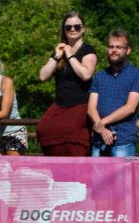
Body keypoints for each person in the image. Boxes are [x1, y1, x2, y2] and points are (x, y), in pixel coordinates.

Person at [35, 11, 98, 156]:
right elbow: (42, 76)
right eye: (68, 27)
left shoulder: (88, 50)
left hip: (80, 103)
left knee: (70, 131)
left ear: (83, 29)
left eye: (77, 26)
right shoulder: (60, 51)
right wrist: (57, 56)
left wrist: (70, 55)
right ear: (64, 30)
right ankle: (56, 168)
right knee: (43, 129)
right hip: (60, 103)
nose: (73, 30)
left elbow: (86, 74)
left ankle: (76, 170)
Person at [86, 30, 139, 157]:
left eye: (119, 47)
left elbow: (130, 108)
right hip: (99, 139)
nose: (114, 50)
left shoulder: (136, 75)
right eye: (111, 47)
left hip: (123, 140)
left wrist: (102, 123)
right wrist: (102, 129)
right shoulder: (99, 76)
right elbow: (91, 108)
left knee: (122, 177)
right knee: (97, 177)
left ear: (127, 50)